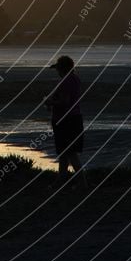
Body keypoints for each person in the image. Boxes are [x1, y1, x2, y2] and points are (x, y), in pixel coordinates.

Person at [45, 55, 87, 189]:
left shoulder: (66, 81)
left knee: (69, 152)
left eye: (58, 69)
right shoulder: (75, 79)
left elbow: (64, 102)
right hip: (73, 118)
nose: (57, 72)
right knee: (65, 152)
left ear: (62, 69)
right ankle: (61, 181)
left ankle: (82, 183)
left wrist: (50, 102)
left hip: (65, 120)